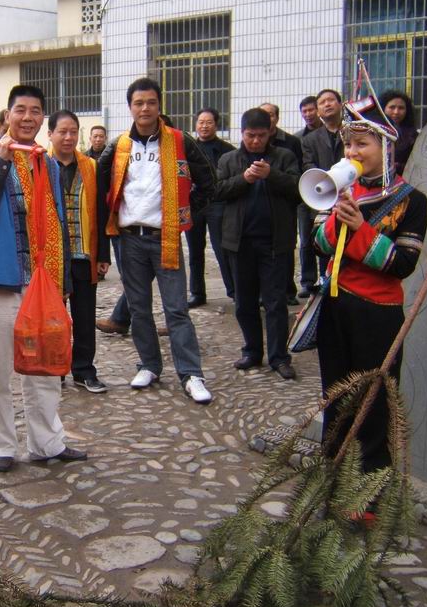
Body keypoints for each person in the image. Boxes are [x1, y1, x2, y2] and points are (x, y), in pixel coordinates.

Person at [0, 85, 87, 472]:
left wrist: (63, 279)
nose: (28, 117)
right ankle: (3, 445)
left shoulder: (46, 162)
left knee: (46, 365)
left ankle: (47, 442)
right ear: (8, 115)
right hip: (1, 280)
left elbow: (56, 220)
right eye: (21, 110)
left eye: (36, 111)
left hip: (42, 281)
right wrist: (2, 163)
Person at [314, 118, 427, 485]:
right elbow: (318, 245)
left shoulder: (411, 201)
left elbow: (403, 264)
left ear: (386, 149)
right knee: (335, 399)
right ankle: (332, 481)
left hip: (377, 314)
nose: (353, 152)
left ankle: (368, 493)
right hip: (335, 307)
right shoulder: (335, 189)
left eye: (362, 144)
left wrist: (361, 230)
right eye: (349, 145)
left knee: (373, 404)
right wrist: (336, 220)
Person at [96, 78, 216, 403]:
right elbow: (98, 183)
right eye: (138, 103)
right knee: (139, 309)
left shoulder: (179, 141)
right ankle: (149, 364)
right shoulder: (120, 145)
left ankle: (191, 374)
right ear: (130, 107)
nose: (145, 108)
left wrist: (185, 215)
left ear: (159, 104)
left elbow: (209, 181)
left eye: (150, 102)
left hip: (165, 238)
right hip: (129, 240)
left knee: (176, 309)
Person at [216, 108, 301, 380]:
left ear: (270, 133)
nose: (255, 141)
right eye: (250, 135)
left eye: (261, 136)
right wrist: (245, 179)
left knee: (275, 302)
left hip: (275, 243)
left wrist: (270, 175)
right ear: (242, 133)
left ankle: (279, 357)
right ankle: (252, 350)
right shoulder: (229, 159)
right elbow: (217, 191)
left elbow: (299, 189)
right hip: (239, 243)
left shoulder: (284, 157)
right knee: (244, 301)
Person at [48, 110, 107, 394]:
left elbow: (100, 212)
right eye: (63, 131)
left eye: (73, 131)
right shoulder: (40, 164)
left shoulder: (91, 167)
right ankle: (56, 370)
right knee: (55, 320)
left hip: (84, 255)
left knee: (85, 317)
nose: (69, 137)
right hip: (53, 258)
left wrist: (103, 255)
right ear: (50, 135)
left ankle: (84, 370)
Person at [184, 108, 236, 306]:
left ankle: (233, 291)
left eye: (209, 122)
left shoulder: (227, 150)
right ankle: (197, 293)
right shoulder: (188, 147)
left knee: (222, 248)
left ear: (216, 125)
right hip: (193, 203)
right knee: (195, 251)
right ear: (195, 124)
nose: (204, 126)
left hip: (217, 203)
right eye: (200, 122)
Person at [260, 102, 302, 306]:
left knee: (285, 248)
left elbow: (298, 177)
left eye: (270, 114)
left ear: (277, 117)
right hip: (260, 208)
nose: (268, 118)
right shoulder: (251, 144)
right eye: (263, 114)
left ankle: (288, 289)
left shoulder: (291, 143)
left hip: (285, 203)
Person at [302, 89, 346, 281]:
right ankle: (324, 283)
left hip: (349, 196)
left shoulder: (353, 131)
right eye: (322, 102)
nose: (327, 104)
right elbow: (308, 166)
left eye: (331, 100)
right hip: (323, 198)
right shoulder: (310, 139)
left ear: (340, 105)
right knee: (325, 243)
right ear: (318, 110)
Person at [294, 95, 323, 297]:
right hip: (306, 195)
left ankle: (325, 278)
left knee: (325, 237)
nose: (308, 114)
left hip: (329, 192)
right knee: (305, 240)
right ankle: (307, 280)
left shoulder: (334, 133)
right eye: (304, 111)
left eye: (311, 110)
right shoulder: (298, 138)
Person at [378, 90, 419, 176]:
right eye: (392, 107)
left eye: (401, 108)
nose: (396, 112)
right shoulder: (372, 131)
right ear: (382, 108)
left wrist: (397, 166)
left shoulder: (413, 137)